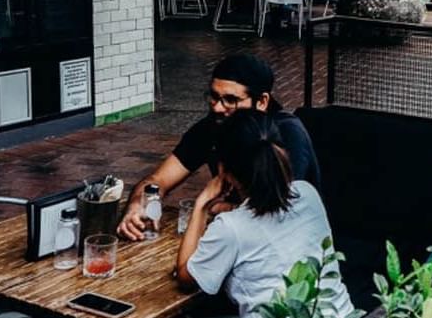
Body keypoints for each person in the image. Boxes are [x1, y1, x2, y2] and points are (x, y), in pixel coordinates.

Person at [174, 111, 354, 318]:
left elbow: (185, 276)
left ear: (225, 171)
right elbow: (267, 219)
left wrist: (202, 204)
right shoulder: (307, 193)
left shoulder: (231, 228)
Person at [120, 53, 319, 238]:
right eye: (214, 96)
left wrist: (216, 207)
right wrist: (138, 204)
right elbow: (158, 179)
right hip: (236, 235)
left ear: (262, 101)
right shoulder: (214, 125)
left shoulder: (286, 133)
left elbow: (280, 211)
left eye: (230, 100)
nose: (217, 107)